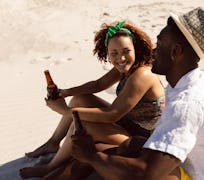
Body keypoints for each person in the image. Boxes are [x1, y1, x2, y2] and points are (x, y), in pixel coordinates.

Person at [70, 7, 204, 180]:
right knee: (127, 147)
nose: (153, 51)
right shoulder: (199, 86)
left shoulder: (187, 103)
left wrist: (91, 155)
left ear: (175, 51)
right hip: (194, 166)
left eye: (159, 45)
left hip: (198, 175)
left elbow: (145, 174)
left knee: (105, 160)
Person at [19, 20, 165, 178]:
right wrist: (65, 92)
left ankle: (50, 167)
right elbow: (98, 84)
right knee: (80, 99)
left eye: (126, 51)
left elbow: (112, 114)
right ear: (107, 54)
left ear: (135, 49)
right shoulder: (125, 67)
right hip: (127, 124)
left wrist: (66, 111)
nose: (121, 58)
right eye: (114, 53)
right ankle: (53, 143)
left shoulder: (141, 75)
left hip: (143, 140)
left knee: (82, 124)